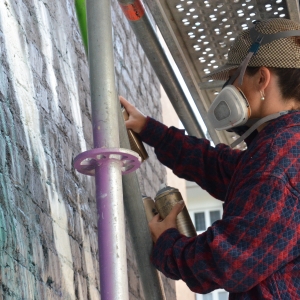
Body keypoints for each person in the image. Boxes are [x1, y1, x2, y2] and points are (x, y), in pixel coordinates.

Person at [120, 18, 300, 299]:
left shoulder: (280, 158)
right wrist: (150, 130)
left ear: (262, 79)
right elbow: (222, 168)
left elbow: (230, 262)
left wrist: (169, 244)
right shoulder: (282, 148)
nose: (228, 89)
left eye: (234, 78)